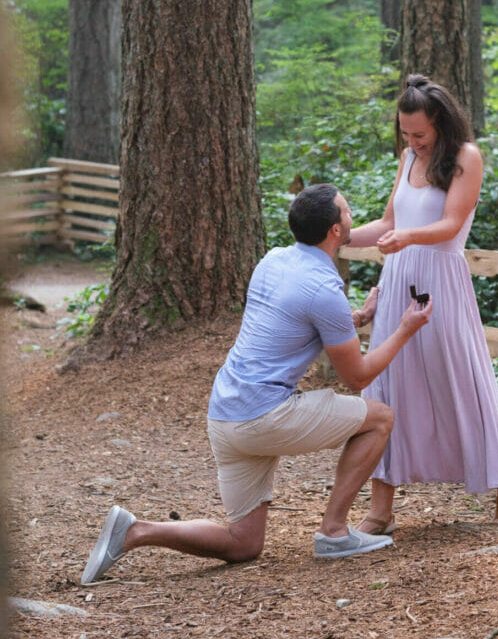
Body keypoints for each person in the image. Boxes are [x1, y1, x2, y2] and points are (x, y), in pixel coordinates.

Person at [80, 184, 433, 583]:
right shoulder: (324, 286)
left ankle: (135, 530)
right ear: (335, 230)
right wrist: (405, 328)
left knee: (243, 544)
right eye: (348, 212)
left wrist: (353, 319)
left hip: (225, 414)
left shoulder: (274, 260)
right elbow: (358, 377)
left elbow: (289, 323)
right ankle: (334, 531)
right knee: (380, 417)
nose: (352, 217)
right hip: (263, 418)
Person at [348, 74, 498, 534]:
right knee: (386, 387)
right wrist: (339, 236)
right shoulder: (407, 158)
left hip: (441, 280)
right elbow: (389, 220)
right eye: (406, 134)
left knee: (462, 378)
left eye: (420, 134)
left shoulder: (466, 157)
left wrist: (406, 237)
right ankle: (380, 508)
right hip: (398, 279)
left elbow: (450, 225)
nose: (412, 142)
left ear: (441, 125)